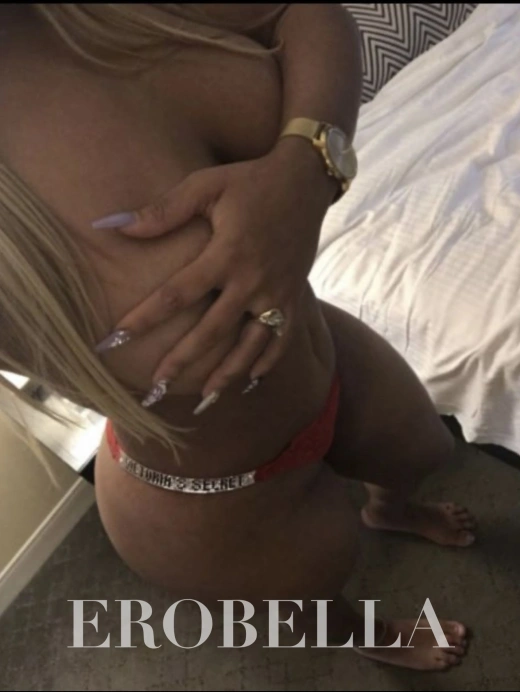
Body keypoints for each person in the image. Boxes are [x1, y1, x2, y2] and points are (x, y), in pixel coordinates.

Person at [0, 4, 475, 670]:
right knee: (319, 594)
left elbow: (305, 14)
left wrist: (308, 166)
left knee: (422, 452)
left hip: (327, 354)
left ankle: (389, 509)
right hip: (212, 496)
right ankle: (375, 638)